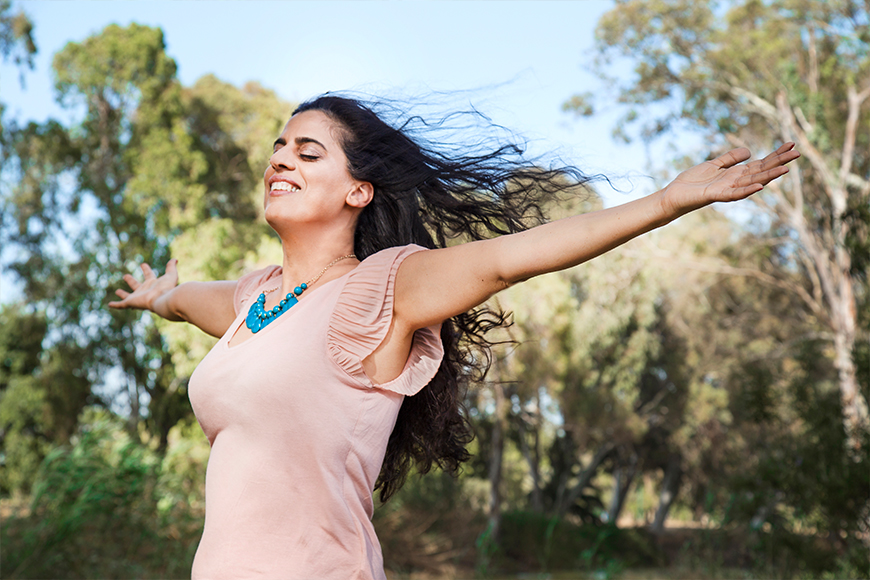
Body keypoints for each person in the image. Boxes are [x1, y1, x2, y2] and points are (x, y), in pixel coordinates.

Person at [109, 95, 799, 579]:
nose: (280, 160)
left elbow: (506, 259)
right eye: (278, 148)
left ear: (359, 191)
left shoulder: (384, 288)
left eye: (308, 152)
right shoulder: (254, 300)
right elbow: (183, 302)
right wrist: (156, 296)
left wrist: (666, 202)